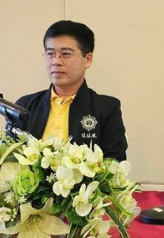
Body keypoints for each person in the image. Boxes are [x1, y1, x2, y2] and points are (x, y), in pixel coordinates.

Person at [16, 20, 128, 161]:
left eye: (65, 54)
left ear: (88, 59)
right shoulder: (25, 106)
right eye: (50, 54)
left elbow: (115, 163)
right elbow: (11, 159)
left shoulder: (106, 109)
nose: (56, 61)